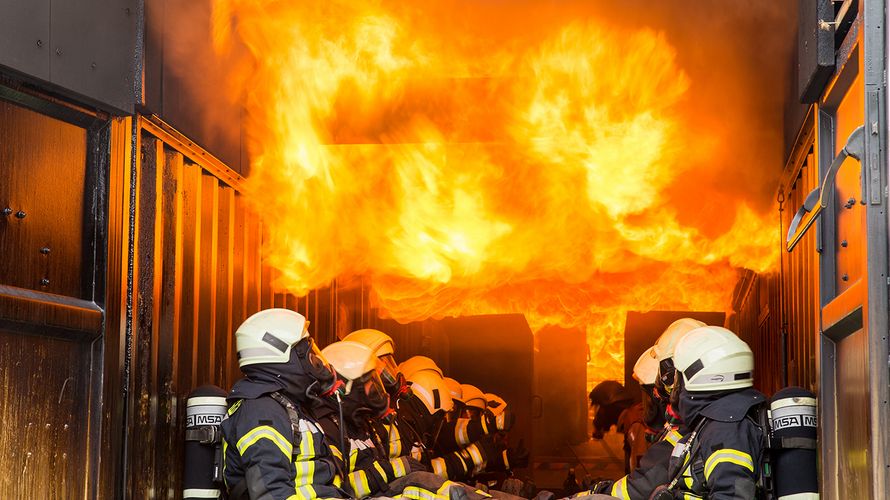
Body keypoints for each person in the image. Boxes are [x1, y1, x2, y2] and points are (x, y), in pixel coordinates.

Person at [220, 309, 345, 499]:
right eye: (308, 356)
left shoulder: (288, 405)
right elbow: (271, 494)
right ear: (282, 356)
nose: (317, 363)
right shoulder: (262, 411)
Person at [652, 326, 765, 500]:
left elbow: (732, 495)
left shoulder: (725, 430)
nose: (676, 386)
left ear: (697, 375)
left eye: (679, 377)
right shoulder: (718, 421)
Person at [314, 340, 428, 499]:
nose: (377, 390)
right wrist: (393, 469)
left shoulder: (358, 424)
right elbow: (336, 489)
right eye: (370, 383)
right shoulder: (326, 429)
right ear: (347, 389)